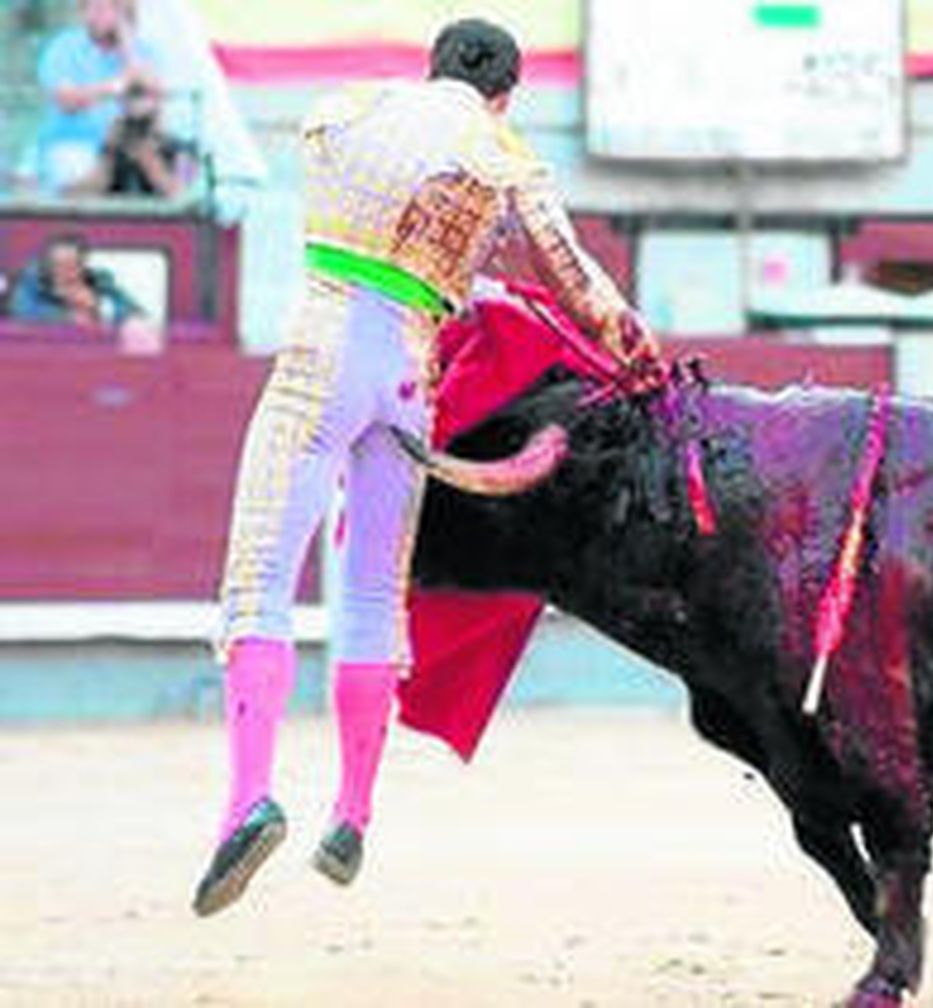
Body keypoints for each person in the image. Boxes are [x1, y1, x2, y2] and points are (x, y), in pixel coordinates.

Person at [193, 18, 660, 917]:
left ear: (431, 66)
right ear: (506, 94)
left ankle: (247, 800)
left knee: (258, 583)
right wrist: (635, 346)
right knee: (373, 593)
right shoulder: (505, 155)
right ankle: (352, 813)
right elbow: (578, 282)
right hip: (409, 378)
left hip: (322, 351)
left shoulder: (342, 111)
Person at [34, 0, 164, 194]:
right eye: (94, 8)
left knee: (155, 163)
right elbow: (66, 99)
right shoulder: (64, 48)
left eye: (111, 8)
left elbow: (153, 96)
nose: (101, 15)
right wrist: (116, 86)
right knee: (77, 168)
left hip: (128, 146)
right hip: (75, 143)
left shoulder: (142, 51)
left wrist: (126, 46)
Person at [7, 233, 162, 351]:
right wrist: (67, 317)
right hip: (42, 355)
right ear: (47, 264)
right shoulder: (31, 282)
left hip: (89, 355)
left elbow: (135, 311)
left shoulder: (99, 282)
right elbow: (22, 312)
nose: (63, 272)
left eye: (71, 265)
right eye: (57, 264)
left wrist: (99, 307)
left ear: (83, 265)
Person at [68, 81, 197, 198]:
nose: (135, 103)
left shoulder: (185, 150)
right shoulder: (116, 145)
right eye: (130, 96)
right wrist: (110, 152)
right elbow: (96, 185)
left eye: (141, 94)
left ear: (159, 102)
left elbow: (182, 194)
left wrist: (148, 158)